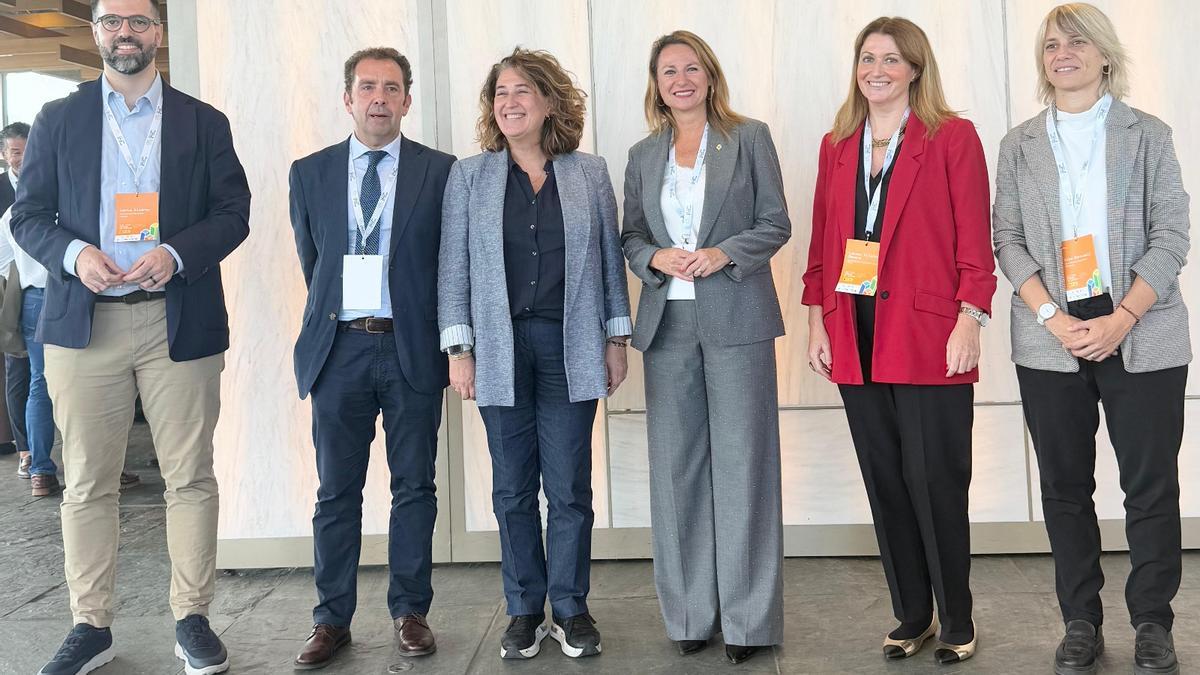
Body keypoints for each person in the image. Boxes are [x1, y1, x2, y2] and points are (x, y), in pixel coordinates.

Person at [13, 1, 251, 673]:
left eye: (139, 21)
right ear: (95, 34)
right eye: (113, 21)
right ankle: (92, 624)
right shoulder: (58, 121)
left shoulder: (204, 123)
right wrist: (73, 253)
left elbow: (234, 212)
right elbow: (28, 216)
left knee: (190, 476)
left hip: (177, 318)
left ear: (158, 34)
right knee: (87, 481)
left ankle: (192, 616)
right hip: (83, 326)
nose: (126, 32)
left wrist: (177, 252)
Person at [992, 4, 1190, 674]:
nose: (1063, 53)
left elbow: (1172, 237)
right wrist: (1053, 316)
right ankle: (1080, 619)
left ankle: (1153, 622)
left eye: (1077, 42)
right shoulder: (1018, 144)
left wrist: (1122, 318)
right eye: (1051, 44)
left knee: (1151, 485)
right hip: (1050, 337)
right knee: (1065, 485)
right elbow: (1007, 240)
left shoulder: (1148, 134)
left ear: (1105, 54)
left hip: (1143, 329)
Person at [803, 16, 994, 664]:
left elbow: (975, 240)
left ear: (915, 67)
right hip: (856, 334)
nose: (876, 69)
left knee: (934, 476)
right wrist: (817, 320)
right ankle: (913, 612)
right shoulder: (838, 143)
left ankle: (958, 619)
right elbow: (824, 240)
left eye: (890, 58)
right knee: (886, 478)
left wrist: (971, 317)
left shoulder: (952, 137)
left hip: (930, 333)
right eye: (867, 58)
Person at [439, 47, 631, 661]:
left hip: (569, 346)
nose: (509, 102)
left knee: (570, 487)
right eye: (500, 93)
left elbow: (607, 264)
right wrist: (459, 349)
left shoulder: (588, 172)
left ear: (549, 102)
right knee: (513, 488)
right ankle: (524, 609)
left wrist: (616, 339)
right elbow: (454, 271)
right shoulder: (470, 176)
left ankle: (571, 609)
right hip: (497, 348)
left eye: (522, 91)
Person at [621, 30, 790, 665]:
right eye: (669, 71)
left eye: (692, 69)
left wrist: (724, 254)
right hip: (668, 327)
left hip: (738, 321)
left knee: (745, 468)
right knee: (677, 472)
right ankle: (691, 614)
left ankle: (749, 622)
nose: (681, 80)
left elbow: (776, 221)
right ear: (656, 83)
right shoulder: (643, 153)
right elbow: (630, 235)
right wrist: (655, 257)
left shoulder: (749, 138)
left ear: (710, 76)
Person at [287, 46, 455, 669]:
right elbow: (316, 263)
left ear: (408, 99)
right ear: (348, 98)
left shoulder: (441, 172)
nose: (379, 97)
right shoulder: (310, 172)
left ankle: (410, 612)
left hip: (410, 346)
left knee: (414, 487)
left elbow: (448, 265)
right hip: (339, 351)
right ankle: (331, 620)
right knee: (337, 492)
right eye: (367, 87)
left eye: (391, 87)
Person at [0, 122, 31, 473]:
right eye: (16, 151)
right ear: (4, 154)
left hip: (47, 284)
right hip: (9, 286)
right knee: (19, 368)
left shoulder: (50, 179)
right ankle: (26, 451)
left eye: (28, 150)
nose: (23, 158)